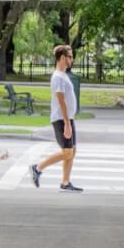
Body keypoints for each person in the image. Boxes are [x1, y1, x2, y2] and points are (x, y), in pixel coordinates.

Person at [29, 44, 83, 192]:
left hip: (67, 119)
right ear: (63, 58)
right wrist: (66, 123)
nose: (72, 60)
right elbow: (61, 100)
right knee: (67, 152)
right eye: (70, 57)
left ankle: (65, 182)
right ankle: (38, 168)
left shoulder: (63, 75)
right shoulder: (58, 77)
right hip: (61, 119)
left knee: (72, 150)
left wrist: (69, 121)